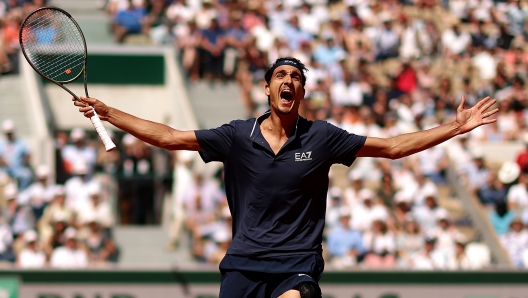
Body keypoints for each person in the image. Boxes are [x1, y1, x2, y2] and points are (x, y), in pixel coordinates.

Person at [74, 57, 498, 298]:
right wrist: (109, 113)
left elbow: (391, 147)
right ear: (267, 89)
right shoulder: (237, 136)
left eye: (296, 77)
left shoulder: (324, 137)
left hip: (297, 266)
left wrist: (456, 127)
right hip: (242, 265)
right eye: (281, 75)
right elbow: (167, 136)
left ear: (302, 93)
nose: (289, 81)